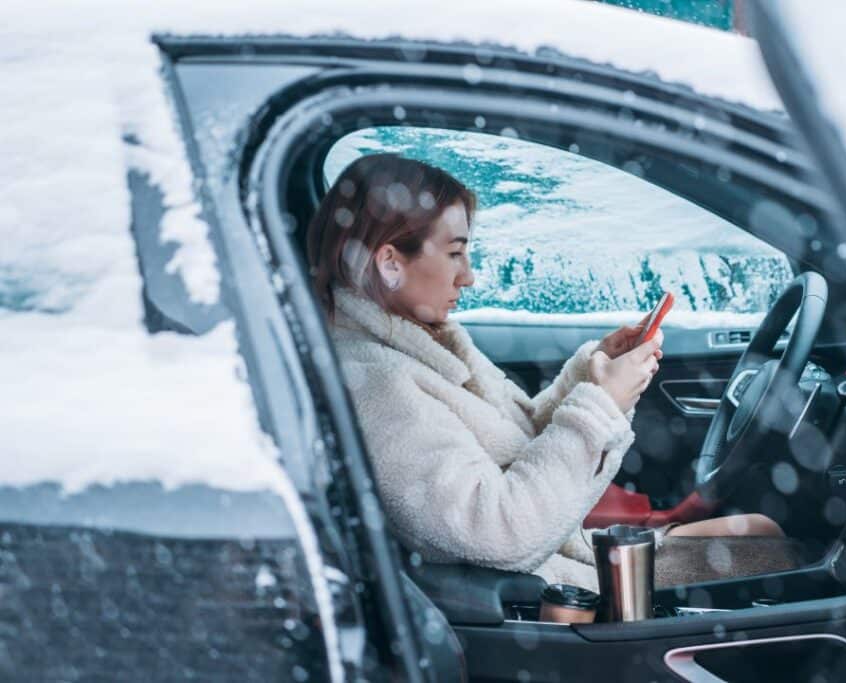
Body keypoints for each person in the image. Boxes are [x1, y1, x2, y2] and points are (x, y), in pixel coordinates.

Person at [307, 153, 782, 591]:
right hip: (556, 590)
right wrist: (601, 408)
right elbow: (500, 533)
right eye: (455, 253)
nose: (468, 276)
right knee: (782, 557)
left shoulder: (422, 340)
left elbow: (515, 441)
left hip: (564, 554)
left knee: (762, 533)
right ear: (390, 261)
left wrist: (592, 380)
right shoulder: (379, 385)